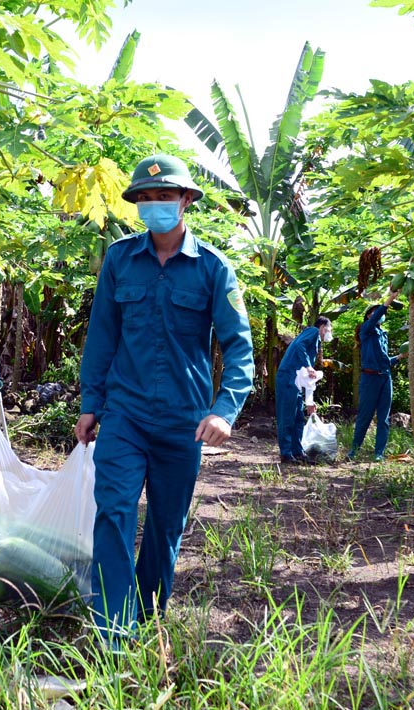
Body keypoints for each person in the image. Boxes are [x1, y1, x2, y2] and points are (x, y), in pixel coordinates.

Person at [74, 153, 254, 647]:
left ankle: (147, 619)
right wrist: (92, 402)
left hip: (183, 421)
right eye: (146, 198)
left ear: (186, 200)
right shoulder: (119, 260)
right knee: (112, 510)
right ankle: (114, 630)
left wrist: (225, 409)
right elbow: (101, 336)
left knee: (165, 526)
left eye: (165, 196)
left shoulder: (213, 268)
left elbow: (239, 345)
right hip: (125, 415)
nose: (154, 204)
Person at [348, 290, 404, 461]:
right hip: (369, 378)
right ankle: (354, 450)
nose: (379, 315)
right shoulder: (366, 330)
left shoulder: (383, 335)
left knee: (383, 418)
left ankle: (379, 453)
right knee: (365, 416)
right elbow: (375, 317)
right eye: (374, 313)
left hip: (385, 378)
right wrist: (389, 300)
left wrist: (401, 356)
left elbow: (384, 360)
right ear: (368, 317)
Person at [275, 316, 332, 463]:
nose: (329, 331)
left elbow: (307, 380)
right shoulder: (312, 332)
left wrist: (309, 402)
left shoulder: (315, 342)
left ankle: (297, 452)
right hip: (288, 376)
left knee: (298, 417)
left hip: (296, 381)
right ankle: (286, 454)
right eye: (328, 328)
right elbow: (299, 345)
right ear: (322, 327)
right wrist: (308, 365)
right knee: (287, 416)